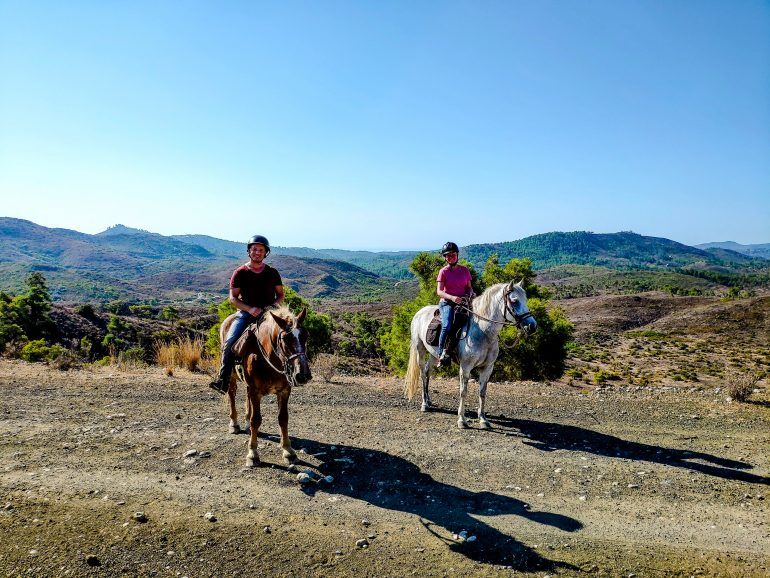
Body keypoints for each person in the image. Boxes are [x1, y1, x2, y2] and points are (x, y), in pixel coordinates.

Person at [209, 235, 284, 394]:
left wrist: (272, 306)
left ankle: (294, 374)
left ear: (266, 253)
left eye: (261, 250)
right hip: (245, 314)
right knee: (229, 343)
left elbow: (281, 295)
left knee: (290, 337)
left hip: (268, 315)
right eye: (254, 249)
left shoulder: (272, 273)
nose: (257, 252)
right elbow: (233, 298)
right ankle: (223, 380)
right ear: (249, 251)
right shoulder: (240, 273)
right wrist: (250, 309)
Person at [436, 241, 473, 367]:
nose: (451, 257)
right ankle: (441, 354)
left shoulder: (465, 270)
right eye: (448, 255)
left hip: (462, 302)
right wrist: (452, 297)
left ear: (457, 255)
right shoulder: (443, 272)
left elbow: (469, 287)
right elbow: (439, 291)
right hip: (447, 303)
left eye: (453, 255)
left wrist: (470, 294)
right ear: (445, 258)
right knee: (447, 325)